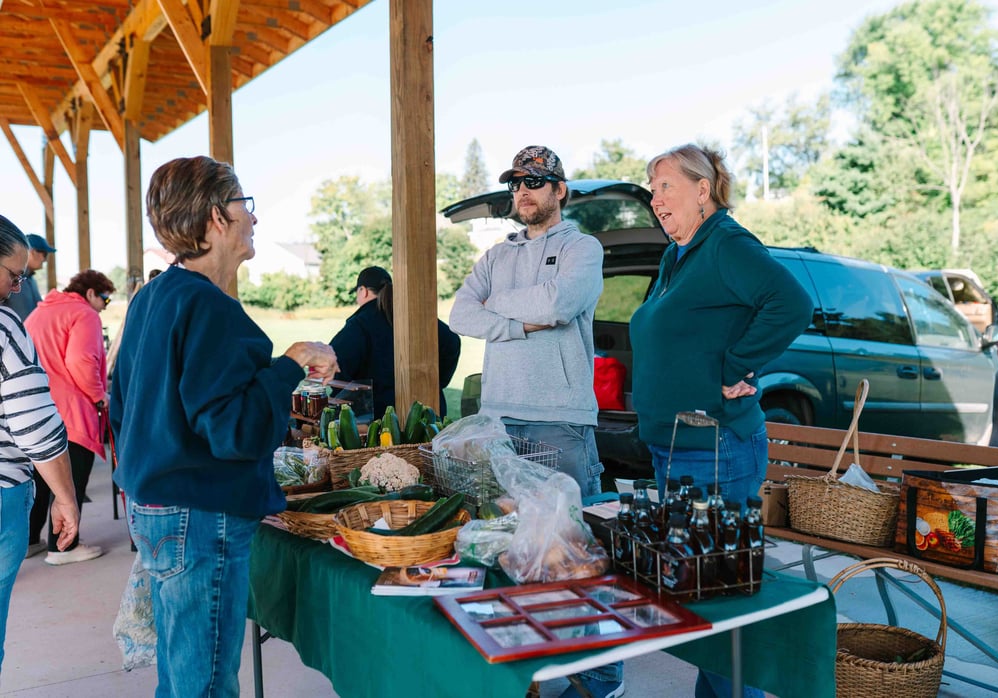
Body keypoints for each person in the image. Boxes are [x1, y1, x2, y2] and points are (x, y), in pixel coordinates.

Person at [110, 156, 338, 697]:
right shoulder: (206, 306)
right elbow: (235, 432)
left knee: (183, 676)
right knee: (206, 685)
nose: (252, 219)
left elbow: (121, 404)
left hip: (160, 507)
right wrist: (288, 364)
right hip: (199, 519)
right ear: (217, 217)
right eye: (245, 205)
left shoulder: (152, 297)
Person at [629, 144, 813, 698]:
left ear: (703, 190)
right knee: (702, 602)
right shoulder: (677, 256)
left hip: (715, 451)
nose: (655, 199)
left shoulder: (726, 244)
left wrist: (740, 363)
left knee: (720, 607)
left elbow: (791, 303)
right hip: (676, 450)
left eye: (666, 186)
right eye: (652, 188)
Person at [449, 145, 619, 698]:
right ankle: (536, 670)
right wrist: (521, 323)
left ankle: (600, 679)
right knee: (514, 550)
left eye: (535, 182)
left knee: (575, 553)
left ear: (559, 190)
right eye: (517, 183)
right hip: (500, 417)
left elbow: (563, 303)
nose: (523, 191)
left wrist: (503, 308)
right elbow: (461, 313)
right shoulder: (496, 257)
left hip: (560, 420)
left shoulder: (582, 247)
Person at [0, 214, 79, 672]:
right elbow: (34, 427)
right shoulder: (5, 327)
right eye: (14, 275)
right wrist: (65, 497)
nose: (16, 288)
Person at [25, 269, 116, 564]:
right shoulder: (84, 314)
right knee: (71, 479)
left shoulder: (41, 312)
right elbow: (80, 361)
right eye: (104, 298)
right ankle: (62, 547)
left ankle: (30, 541)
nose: (104, 305)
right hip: (70, 411)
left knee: (40, 478)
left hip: (34, 408)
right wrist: (99, 395)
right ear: (90, 293)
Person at [330, 266, 461, 417]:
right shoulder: (415, 314)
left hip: (379, 420)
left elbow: (334, 362)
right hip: (427, 415)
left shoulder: (360, 324)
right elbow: (451, 341)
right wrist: (437, 381)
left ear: (363, 291)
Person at [2, 233, 56, 320]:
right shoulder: (8, 277)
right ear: (32, 252)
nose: (45, 260)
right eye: (45, 254)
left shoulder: (32, 280)